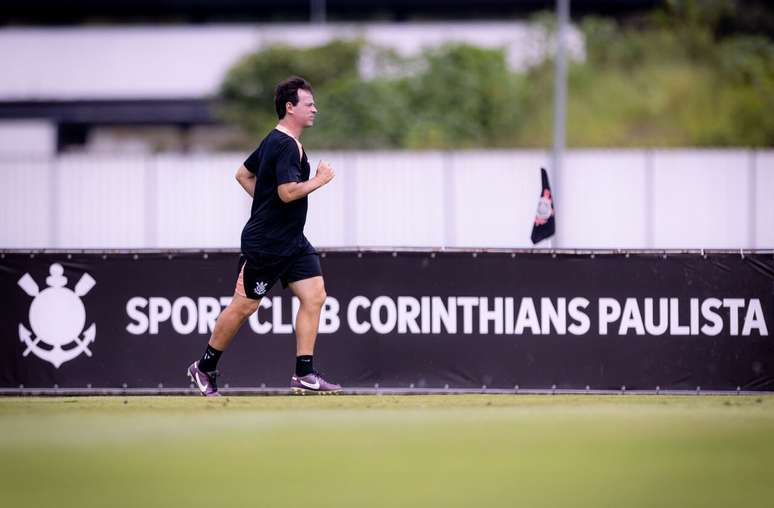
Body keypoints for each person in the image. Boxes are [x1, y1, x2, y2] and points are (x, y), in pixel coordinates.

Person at [187, 76, 341, 396]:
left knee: (315, 296)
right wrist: (320, 180)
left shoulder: (276, 139)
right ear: (290, 108)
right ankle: (204, 366)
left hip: (293, 241)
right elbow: (286, 193)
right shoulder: (283, 144)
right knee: (244, 308)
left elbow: (243, 174)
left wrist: (266, 200)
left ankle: (304, 373)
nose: (315, 109)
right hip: (268, 244)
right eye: (308, 104)